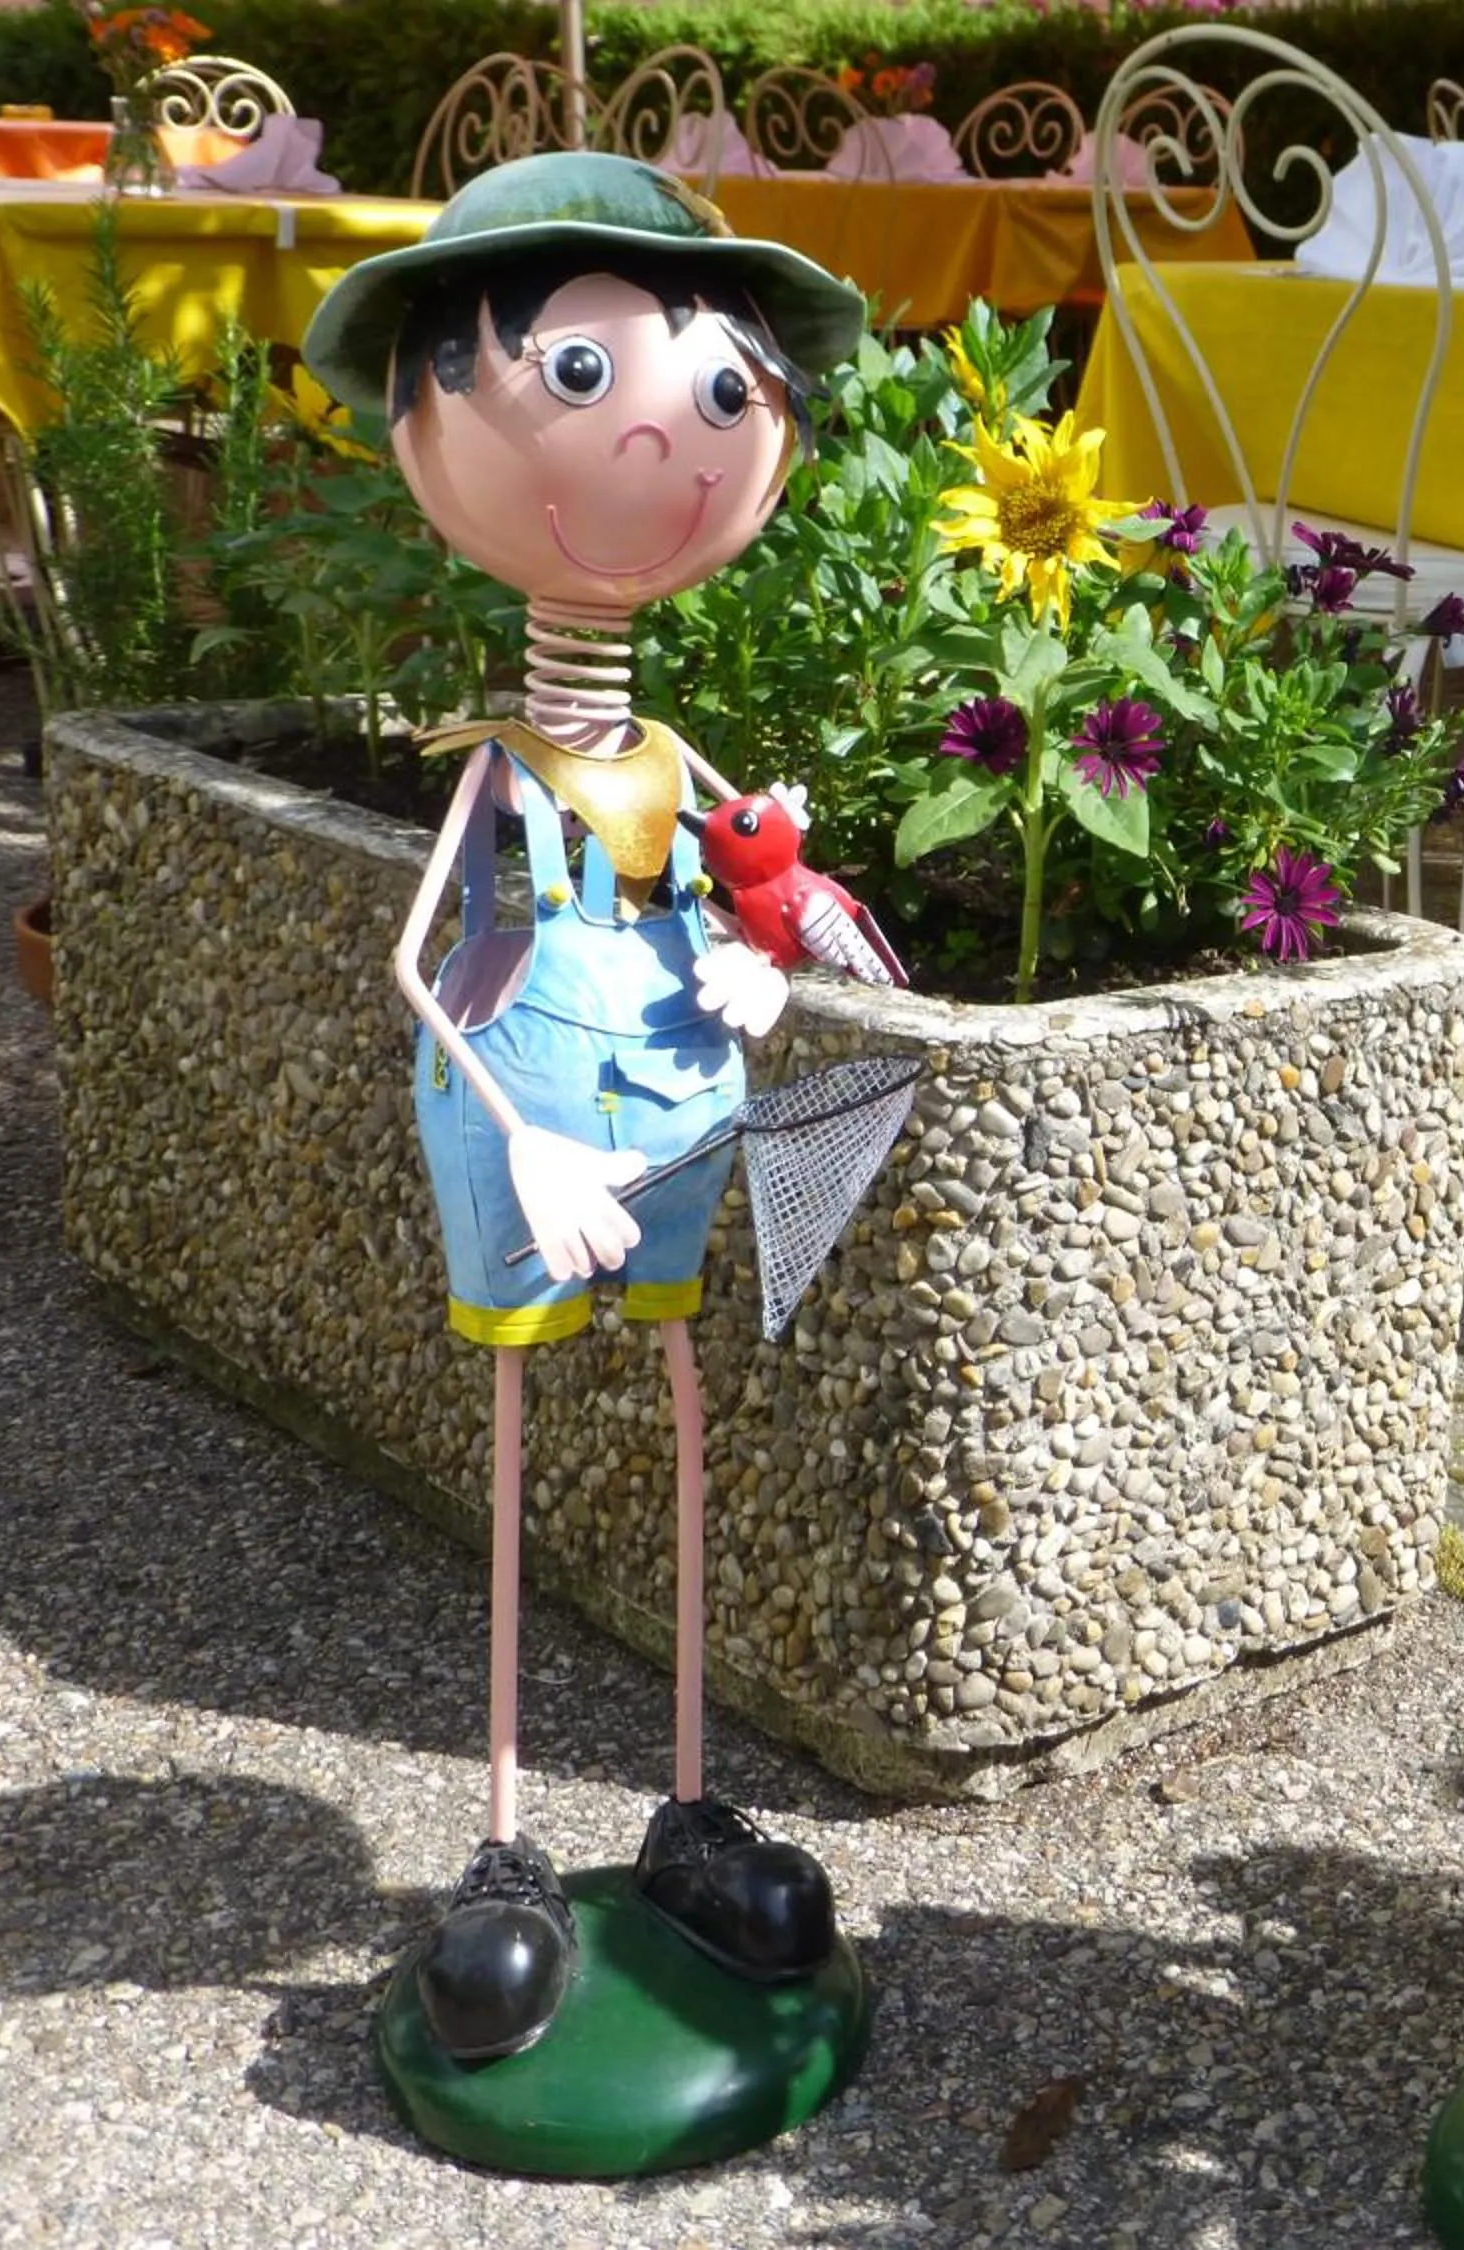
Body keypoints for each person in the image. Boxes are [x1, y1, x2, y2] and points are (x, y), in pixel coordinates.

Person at [301, 153, 867, 2063]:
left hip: (686, 1114)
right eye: (577, 375)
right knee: (525, 1433)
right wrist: (524, 1133)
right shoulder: (497, 774)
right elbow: (409, 966)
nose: (677, 431)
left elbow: (749, 899)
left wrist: (771, 970)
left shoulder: (686, 766)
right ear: (432, 414)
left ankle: (689, 1809)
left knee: (694, 1416)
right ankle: (508, 1838)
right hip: (539, 1115)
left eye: (727, 392)